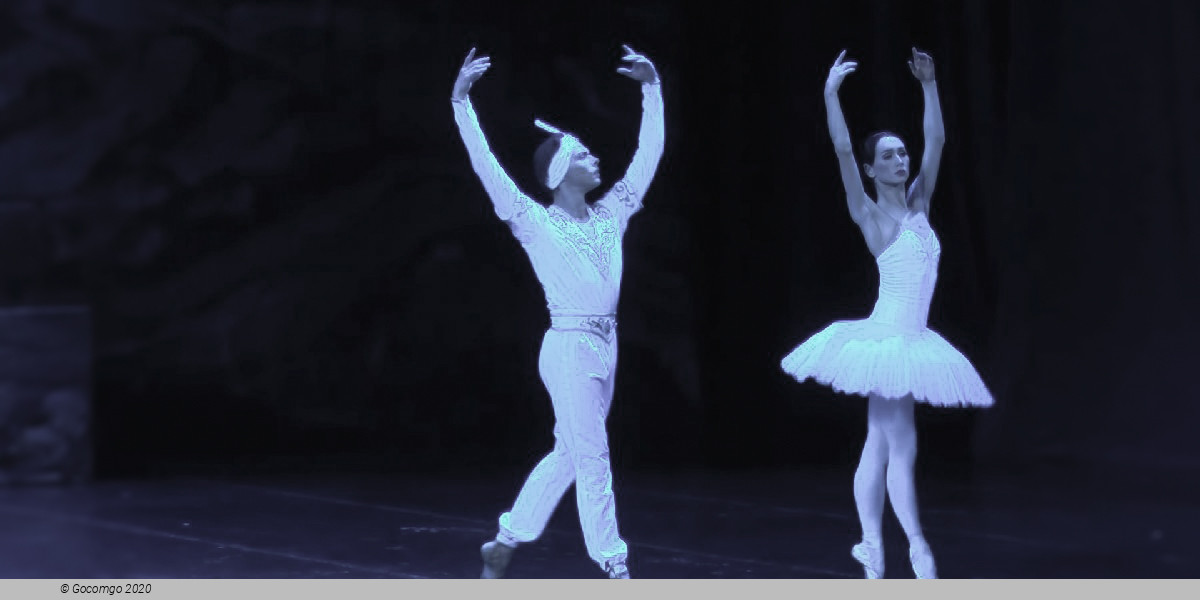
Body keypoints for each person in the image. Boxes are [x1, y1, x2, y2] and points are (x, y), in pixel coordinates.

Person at [449, 44, 664, 579]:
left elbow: (649, 154)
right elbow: (488, 167)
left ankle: (505, 540)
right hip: (569, 348)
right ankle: (615, 565)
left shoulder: (611, 213)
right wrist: (461, 102)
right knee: (594, 456)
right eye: (585, 155)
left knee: (570, 452)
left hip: (605, 345)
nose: (596, 159)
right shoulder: (534, 221)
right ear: (562, 170)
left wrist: (652, 90)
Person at [780, 48, 993, 579]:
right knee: (901, 442)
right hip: (886, 339)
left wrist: (930, 84)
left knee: (880, 441)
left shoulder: (920, 203)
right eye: (891, 156)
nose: (902, 160)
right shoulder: (870, 213)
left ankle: (872, 545)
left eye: (903, 154)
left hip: (912, 338)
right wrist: (829, 95)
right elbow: (842, 149)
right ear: (874, 169)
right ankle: (917, 548)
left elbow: (938, 141)